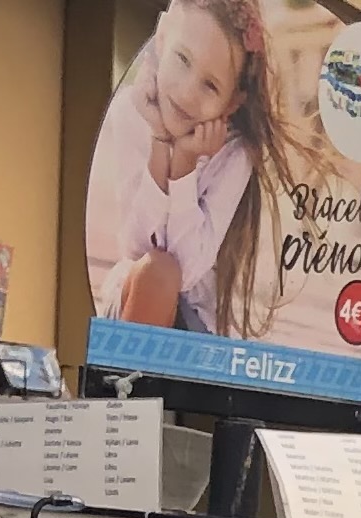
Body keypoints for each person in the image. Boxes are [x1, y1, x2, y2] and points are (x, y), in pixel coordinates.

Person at [83, 0, 302, 334]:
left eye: (210, 85)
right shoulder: (131, 112)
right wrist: (160, 142)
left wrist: (184, 164)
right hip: (134, 300)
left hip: (193, 326)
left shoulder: (235, 153)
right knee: (157, 273)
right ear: (162, 37)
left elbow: (186, 270)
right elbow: (136, 246)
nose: (187, 93)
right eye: (183, 59)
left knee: (166, 272)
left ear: (233, 102)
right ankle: (126, 367)